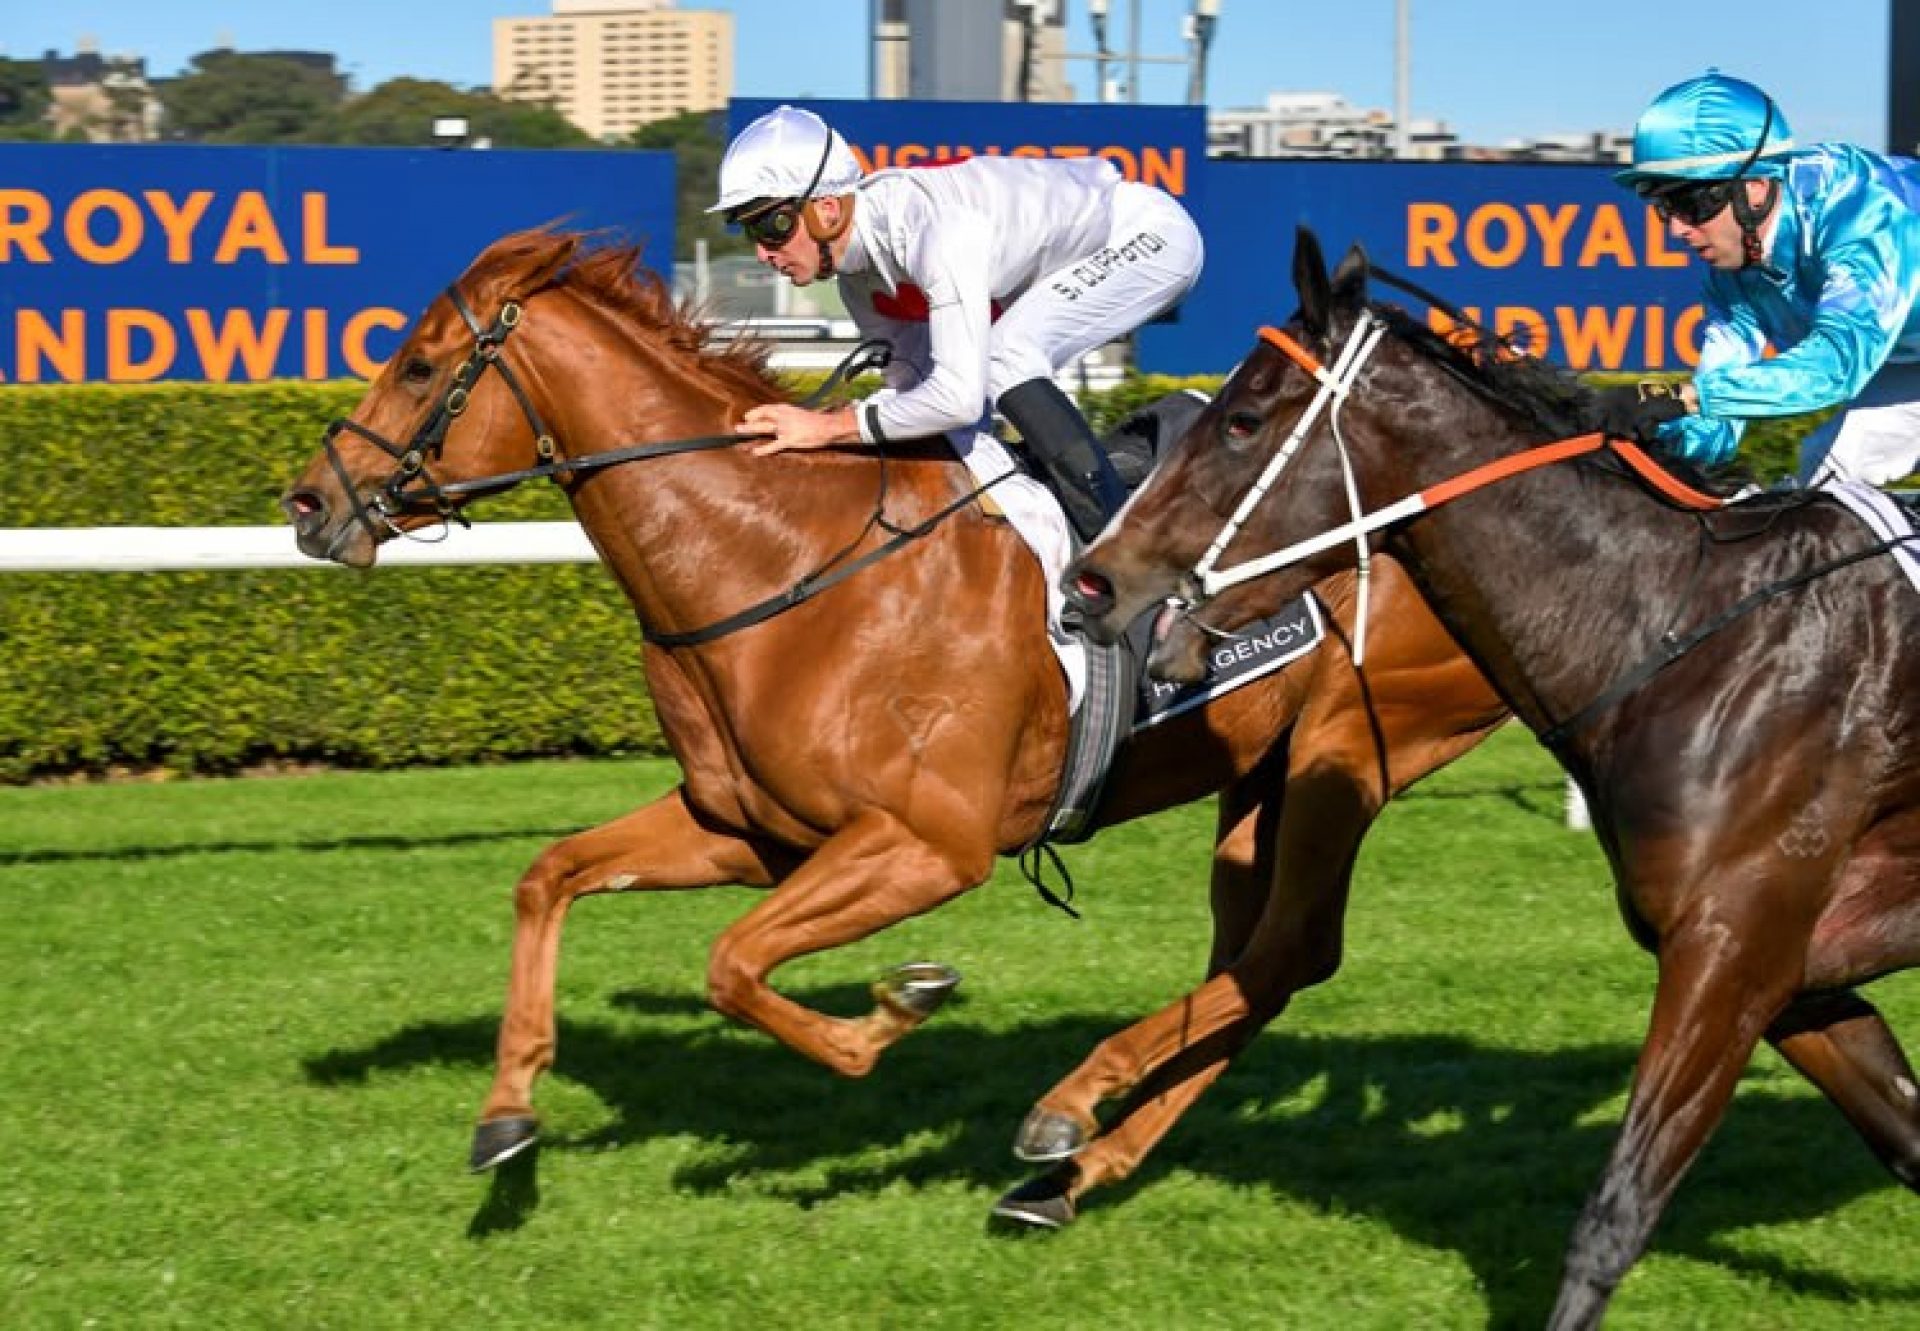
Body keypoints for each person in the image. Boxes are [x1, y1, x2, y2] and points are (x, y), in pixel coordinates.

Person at [709, 104, 1205, 541]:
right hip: (1067, 263)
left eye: (769, 225)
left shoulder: (936, 232)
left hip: (1145, 237)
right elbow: (921, 396)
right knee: (969, 387)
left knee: (1005, 356)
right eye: (747, 229)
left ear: (827, 210)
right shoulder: (857, 282)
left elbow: (957, 397)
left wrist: (827, 427)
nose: (760, 251)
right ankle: (1152, 447)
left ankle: (1119, 555)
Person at [1590, 70, 1920, 487]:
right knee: (1813, 486)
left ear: (1756, 188)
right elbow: (1715, 416)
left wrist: (1685, 398)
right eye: (1663, 208)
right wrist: (1640, 440)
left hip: (1873, 358)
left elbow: (1834, 366)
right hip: (1909, 361)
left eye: (1689, 204)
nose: (1676, 230)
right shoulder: (1735, 276)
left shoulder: (1865, 216)